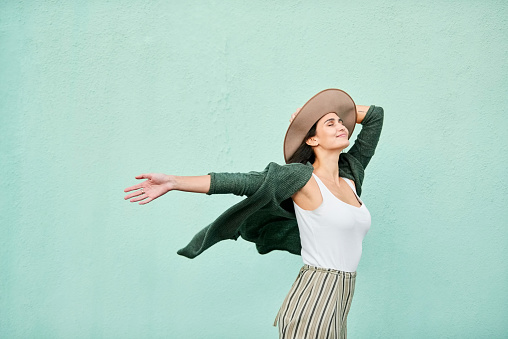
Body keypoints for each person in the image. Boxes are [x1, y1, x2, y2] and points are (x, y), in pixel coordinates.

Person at [124, 89, 384, 339]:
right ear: (312, 139)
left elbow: (375, 116)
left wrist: (316, 111)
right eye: (330, 123)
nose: (342, 126)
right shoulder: (301, 178)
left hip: (339, 297)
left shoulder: (350, 174)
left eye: (342, 121)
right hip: (316, 295)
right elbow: (243, 182)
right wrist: (174, 182)